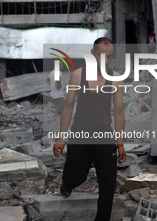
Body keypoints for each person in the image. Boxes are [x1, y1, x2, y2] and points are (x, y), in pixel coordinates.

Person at [53, 37, 127, 221]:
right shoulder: (78, 75)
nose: (104, 60)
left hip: (104, 133)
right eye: (101, 55)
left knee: (108, 182)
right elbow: (68, 107)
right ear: (92, 54)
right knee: (77, 175)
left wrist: (120, 144)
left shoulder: (116, 79)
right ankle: (67, 184)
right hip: (80, 131)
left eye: (109, 57)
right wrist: (61, 138)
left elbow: (119, 112)